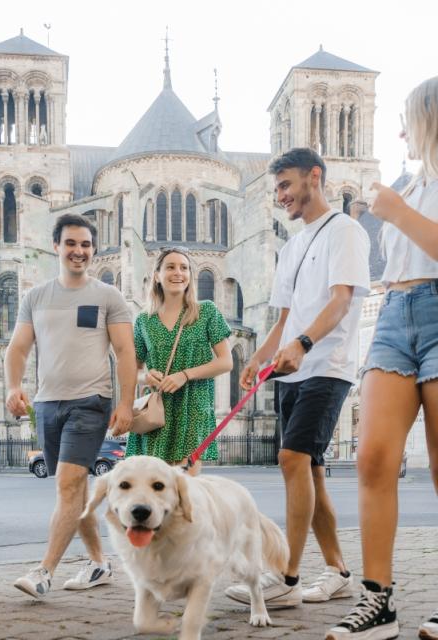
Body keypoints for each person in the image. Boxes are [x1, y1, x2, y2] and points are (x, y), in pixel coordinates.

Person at [225, 148, 370, 609]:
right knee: (311, 471)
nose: (281, 195)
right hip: (290, 370)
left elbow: (341, 300)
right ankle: (338, 572)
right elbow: (285, 316)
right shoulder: (291, 245)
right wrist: (260, 358)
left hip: (326, 366)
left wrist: (303, 345)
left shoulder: (344, 231)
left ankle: (286, 578)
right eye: (277, 188)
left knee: (291, 459)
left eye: (286, 184)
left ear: (315, 177)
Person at [327, 77, 438, 640]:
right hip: (396, 312)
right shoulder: (413, 184)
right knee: (372, 458)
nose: (398, 132)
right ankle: (379, 605)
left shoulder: (406, 197)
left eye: (407, 119)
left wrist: (392, 212)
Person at [6, 213, 136, 599]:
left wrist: (125, 404)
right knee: (73, 492)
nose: (79, 251)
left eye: (85, 245)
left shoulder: (107, 296)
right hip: (46, 404)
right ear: (57, 247)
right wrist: (14, 386)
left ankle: (44, 571)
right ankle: (99, 563)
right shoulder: (36, 297)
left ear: (93, 250)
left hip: (90, 403)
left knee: (67, 484)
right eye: (71, 243)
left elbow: (125, 352)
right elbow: (17, 348)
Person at [126, 246, 232, 475]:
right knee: (155, 486)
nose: (178, 273)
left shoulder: (206, 311)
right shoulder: (144, 320)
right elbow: (131, 371)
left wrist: (185, 375)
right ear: (157, 275)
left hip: (193, 407)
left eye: (184, 268)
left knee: (186, 487)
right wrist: (146, 377)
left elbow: (226, 362)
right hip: (157, 410)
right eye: (170, 267)